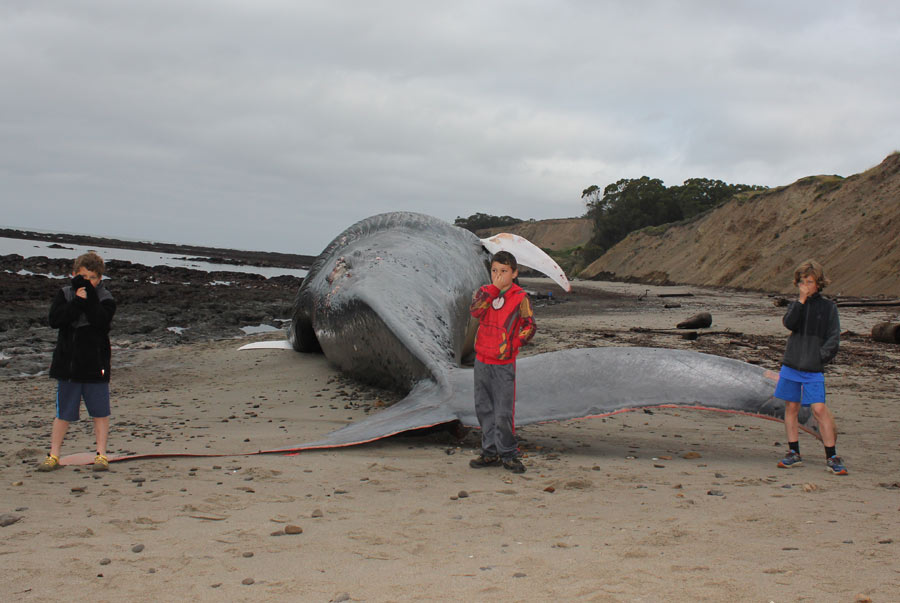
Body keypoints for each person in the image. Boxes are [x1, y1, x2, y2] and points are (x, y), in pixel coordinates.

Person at [37, 252, 117, 472]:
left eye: (92, 278)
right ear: (74, 274)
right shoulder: (65, 294)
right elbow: (56, 320)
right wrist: (77, 302)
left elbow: (101, 321)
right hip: (68, 366)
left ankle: (101, 454)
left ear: (99, 278)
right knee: (64, 414)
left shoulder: (106, 298)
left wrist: (89, 297)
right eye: (83, 277)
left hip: (95, 366)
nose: (87, 281)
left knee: (100, 413)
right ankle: (53, 454)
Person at [774, 259, 846, 475]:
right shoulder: (796, 305)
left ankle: (832, 456)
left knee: (818, 409)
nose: (805, 285)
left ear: (819, 283)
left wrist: (819, 357)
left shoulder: (829, 307)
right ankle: (793, 452)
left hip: (813, 368)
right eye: (802, 281)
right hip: (792, 364)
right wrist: (801, 301)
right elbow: (789, 323)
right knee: (791, 408)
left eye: (810, 281)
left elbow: (834, 337)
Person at [468, 251, 536, 474]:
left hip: (503, 363)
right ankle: (489, 452)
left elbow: (529, 326)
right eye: (494, 271)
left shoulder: (520, 297)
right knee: (483, 409)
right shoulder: (484, 293)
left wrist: (512, 345)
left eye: (504, 271)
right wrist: (494, 290)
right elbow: (476, 311)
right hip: (481, 360)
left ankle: (508, 453)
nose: (498, 275)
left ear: (514, 273)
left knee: (503, 412)